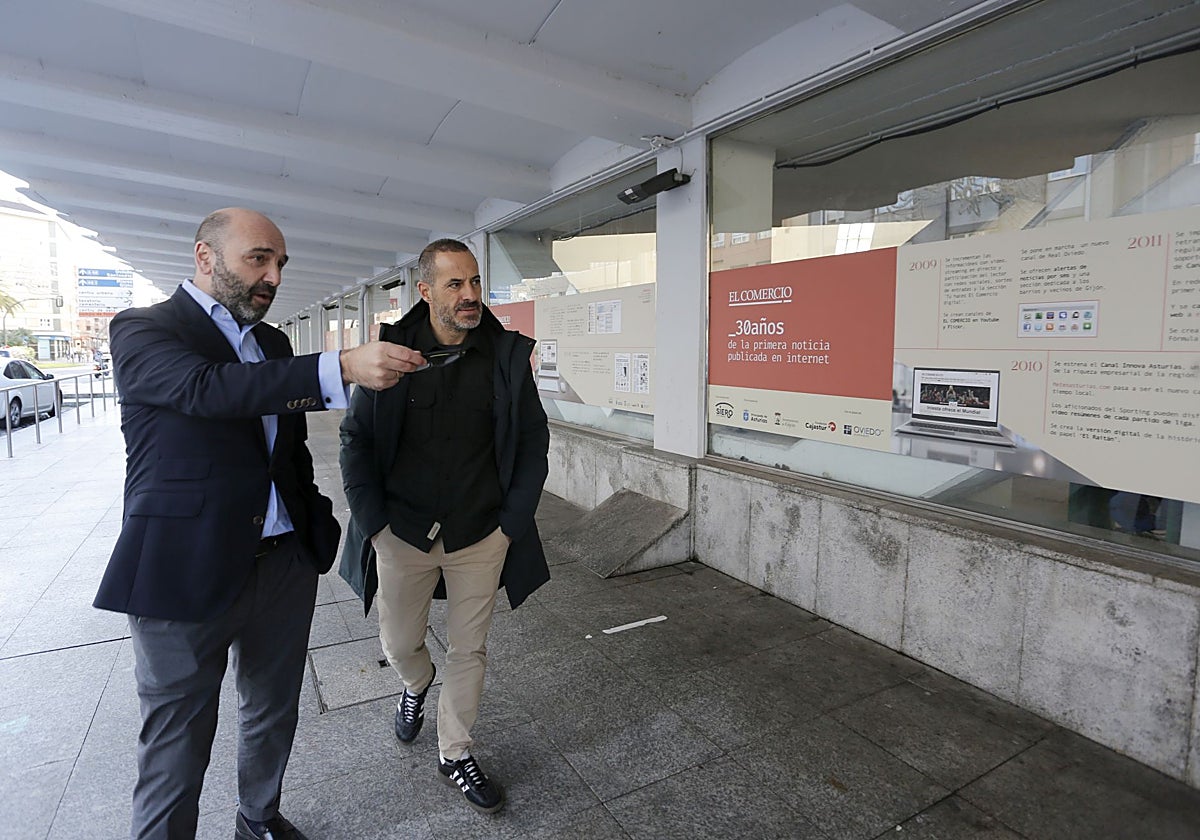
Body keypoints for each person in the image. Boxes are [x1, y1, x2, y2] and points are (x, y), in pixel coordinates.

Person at [92, 208, 425, 840]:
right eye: (258, 259)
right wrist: (343, 367)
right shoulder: (143, 329)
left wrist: (313, 522)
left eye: (280, 264)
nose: (272, 276)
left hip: (282, 565)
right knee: (176, 737)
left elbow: (286, 446)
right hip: (183, 571)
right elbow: (207, 390)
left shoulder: (271, 343)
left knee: (272, 710)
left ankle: (258, 818)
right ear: (204, 257)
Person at [339, 238, 550, 815]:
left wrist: (511, 524)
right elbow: (355, 440)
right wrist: (374, 525)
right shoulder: (390, 354)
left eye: (475, 282)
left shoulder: (504, 356)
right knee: (399, 641)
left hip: (481, 533)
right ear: (425, 291)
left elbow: (532, 440)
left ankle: (455, 751)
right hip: (401, 532)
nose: (469, 296)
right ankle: (415, 683)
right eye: (454, 284)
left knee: (470, 648)